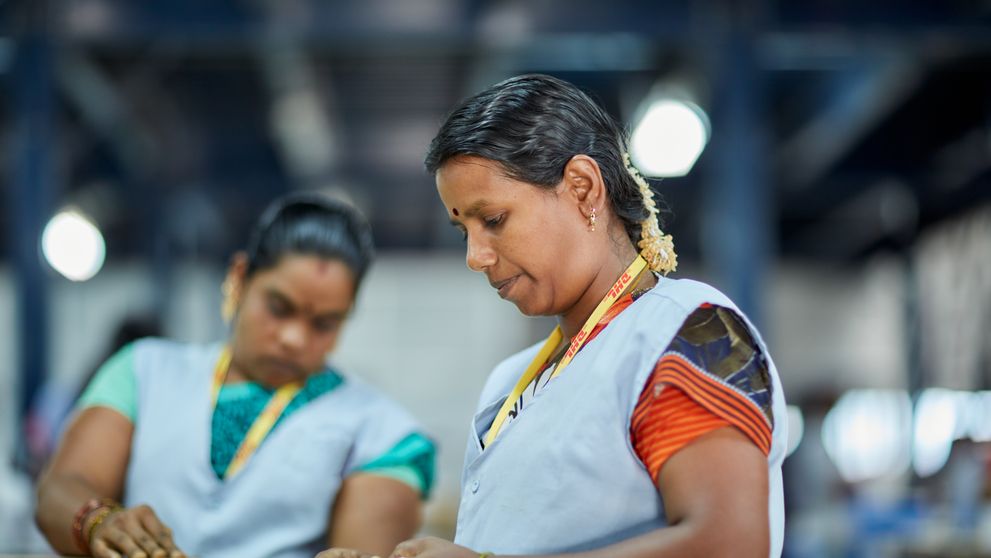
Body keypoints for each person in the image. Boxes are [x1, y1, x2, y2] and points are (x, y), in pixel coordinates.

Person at [330, 74, 787, 558]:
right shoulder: (509, 384)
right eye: (463, 229)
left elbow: (730, 544)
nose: (475, 256)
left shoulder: (688, 334)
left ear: (583, 189)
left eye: (494, 220)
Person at [36, 193, 435, 558]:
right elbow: (61, 488)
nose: (294, 338)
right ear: (240, 279)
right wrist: (97, 520)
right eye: (279, 308)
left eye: (324, 324)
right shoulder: (146, 370)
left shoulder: (382, 431)